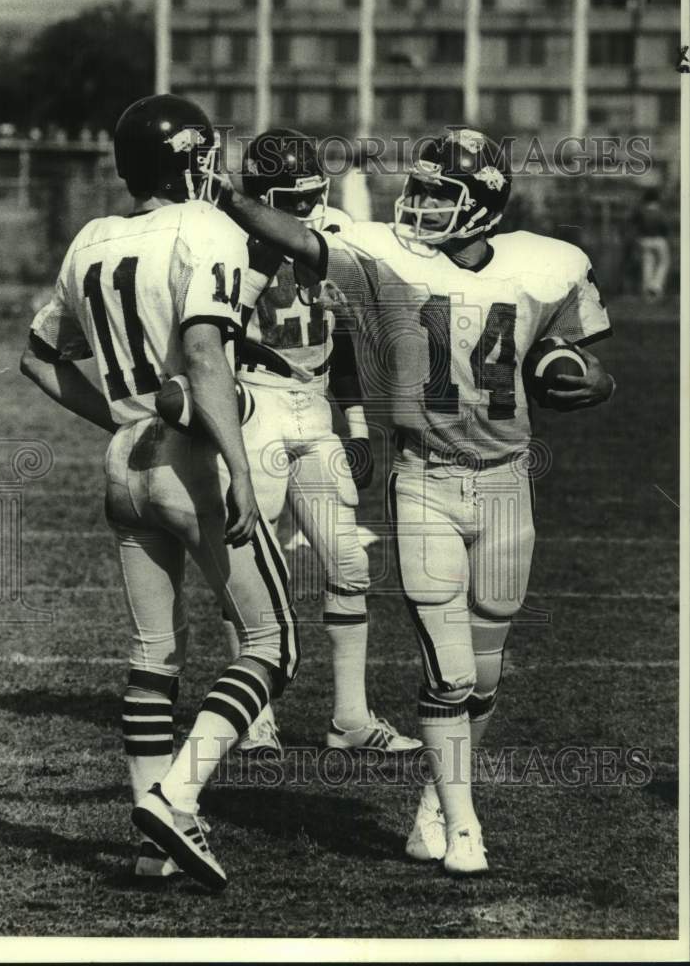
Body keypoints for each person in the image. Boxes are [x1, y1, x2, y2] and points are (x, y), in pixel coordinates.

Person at [214, 126, 615, 875]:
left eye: (439, 192)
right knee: (450, 671)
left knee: (486, 675)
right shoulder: (387, 256)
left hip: (505, 487)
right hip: (424, 478)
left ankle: (436, 801)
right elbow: (297, 238)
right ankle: (466, 827)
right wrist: (227, 197)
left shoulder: (545, 267)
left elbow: (575, 362)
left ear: (484, 205)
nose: (419, 203)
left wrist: (592, 380)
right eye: (419, 186)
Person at [21, 94, 299, 890]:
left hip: (125, 460)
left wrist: (115, 414)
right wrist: (240, 466)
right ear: (191, 160)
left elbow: (38, 357)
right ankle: (175, 800)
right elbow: (204, 351)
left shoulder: (90, 240)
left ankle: (151, 846)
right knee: (271, 645)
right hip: (190, 461)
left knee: (153, 655)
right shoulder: (207, 228)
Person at [225, 127, 419, 756]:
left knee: (349, 564)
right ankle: (252, 715)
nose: (308, 208)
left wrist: (357, 424)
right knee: (253, 564)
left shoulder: (331, 231)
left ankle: (349, 717)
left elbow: (344, 344)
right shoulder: (224, 240)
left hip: (315, 407)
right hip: (253, 402)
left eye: (314, 193)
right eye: (293, 196)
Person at [633, 186, 671, 305]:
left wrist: (637, 238)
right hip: (659, 240)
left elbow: (634, 225)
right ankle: (656, 286)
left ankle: (647, 294)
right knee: (664, 262)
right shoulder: (660, 211)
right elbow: (666, 227)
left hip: (644, 240)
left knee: (647, 264)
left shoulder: (641, 210)